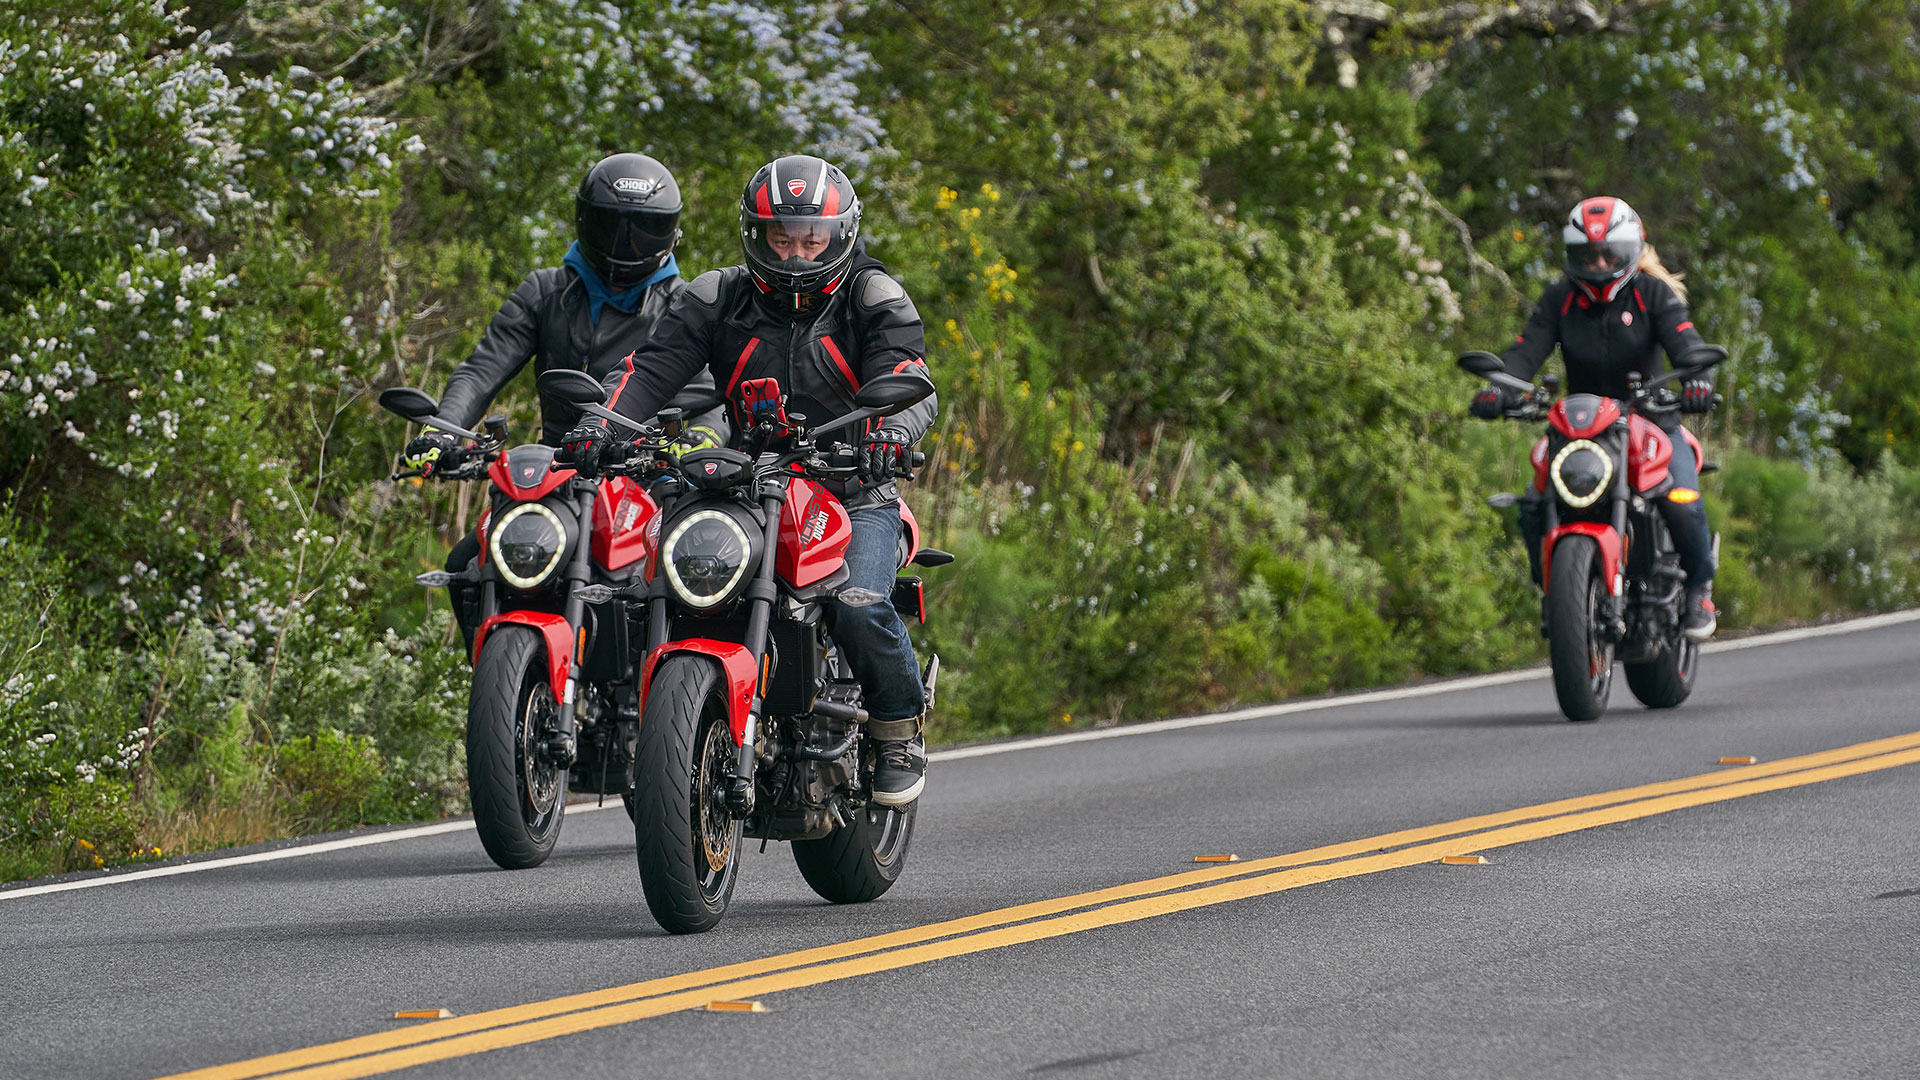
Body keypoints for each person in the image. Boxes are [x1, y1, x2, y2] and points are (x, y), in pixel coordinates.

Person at [562, 154, 937, 806]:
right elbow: (647, 373)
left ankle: (897, 730)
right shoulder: (715, 297)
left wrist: (891, 436)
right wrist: (602, 425)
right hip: (751, 486)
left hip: (853, 490)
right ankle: (639, 732)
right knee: (643, 583)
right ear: (756, 234)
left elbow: (909, 379)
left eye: (811, 240)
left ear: (839, 236)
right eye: (781, 238)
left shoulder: (872, 296)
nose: (795, 255)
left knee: (858, 603)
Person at [399, 153, 725, 643]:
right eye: (610, 226)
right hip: (556, 468)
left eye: (643, 230)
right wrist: (441, 429)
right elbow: (481, 370)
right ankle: (502, 689)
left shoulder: (687, 306)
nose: (624, 245)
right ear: (583, 220)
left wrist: (700, 437)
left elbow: (715, 392)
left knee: (682, 575)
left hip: (645, 470)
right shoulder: (543, 291)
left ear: (670, 234)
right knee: (467, 563)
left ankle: (666, 700)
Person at [1474, 196, 1719, 639]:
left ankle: (1700, 589)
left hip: (1651, 421)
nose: (1600, 263)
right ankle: (1562, 594)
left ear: (1631, 250)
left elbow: (1686, 342)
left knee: (1682, 497)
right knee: (1533, 503)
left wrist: (1698, 380)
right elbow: (1526, 350)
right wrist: (1499, 389)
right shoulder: (1560, 299)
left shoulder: (1652, 293)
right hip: (1580, 426)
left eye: (1609, 253)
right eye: (1588, 255)